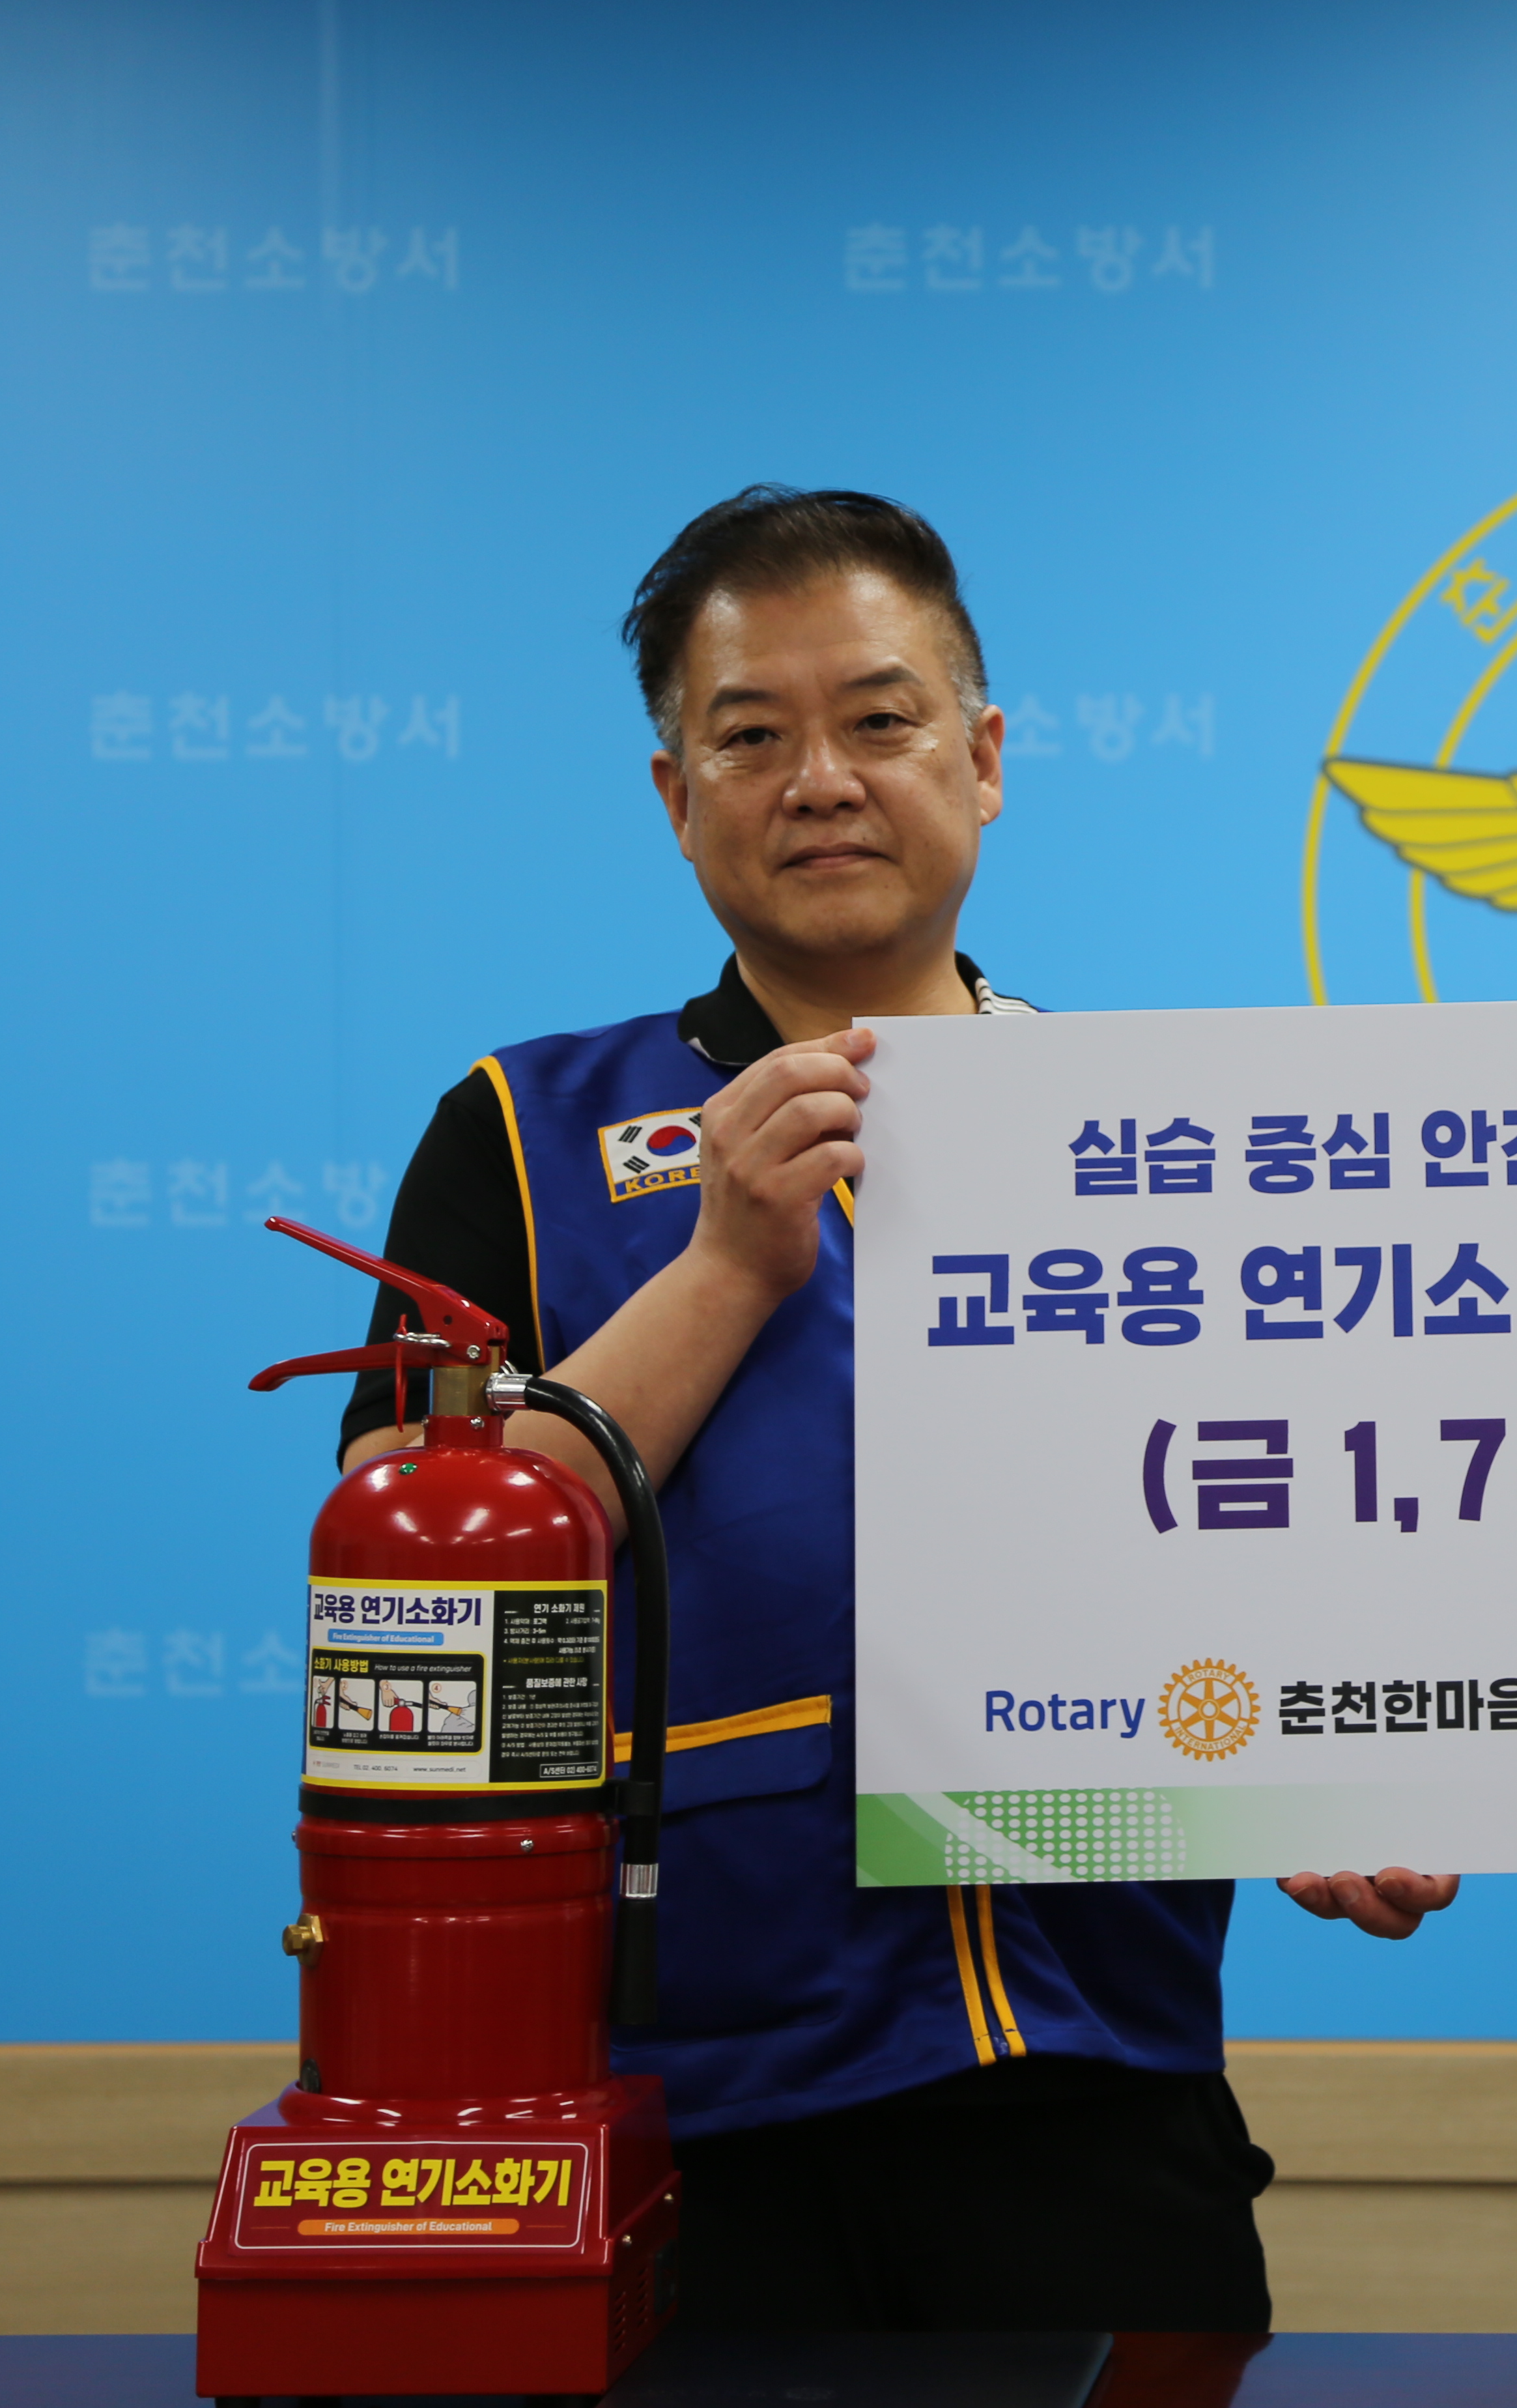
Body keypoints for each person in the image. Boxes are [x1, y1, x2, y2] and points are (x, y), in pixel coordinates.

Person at [337, 487, 1456, 2332]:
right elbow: (412, 1590)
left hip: (1096, 2085)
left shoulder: (1165, 1148)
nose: (821, 782)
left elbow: (1286, 1546)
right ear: (675, 794)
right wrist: (723, 1267)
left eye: (878, 720)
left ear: (983, 757)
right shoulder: (520, 1135)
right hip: (680, 2115)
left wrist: (1326, 1766)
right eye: (750, 738)